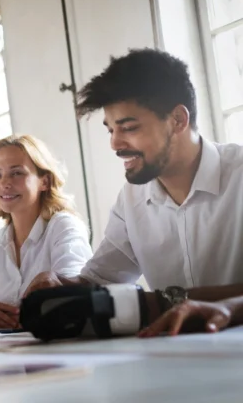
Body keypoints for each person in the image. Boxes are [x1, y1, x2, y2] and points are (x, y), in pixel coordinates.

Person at [24, 48, 243, 323]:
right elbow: (100, 280)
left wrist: (170, 302)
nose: (115, 144)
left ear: (177, 120)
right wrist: (61, 285)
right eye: (110, 129)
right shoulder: (132, 199)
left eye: (129, 128)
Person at [0, 135, 91, 330]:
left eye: (16, 173)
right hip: (16, 353)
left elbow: (73, 300)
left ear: (44, 182)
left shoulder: (64, 227)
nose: (4, 183)